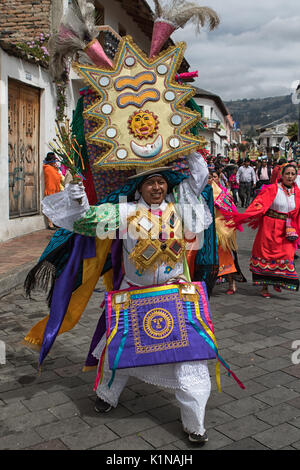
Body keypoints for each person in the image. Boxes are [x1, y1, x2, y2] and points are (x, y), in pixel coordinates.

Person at [37, 152, 223, 445]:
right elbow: (88, 220)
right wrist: (77, 198)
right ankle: (107, 395)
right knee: (117, 350)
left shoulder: (181, 207)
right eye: (151, 183)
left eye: (161, 182)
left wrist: (188, 148)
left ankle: (195, 423)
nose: (157, 188)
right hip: (134, 293)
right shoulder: (125, 213)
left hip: (175, 294)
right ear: (140, 188)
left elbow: (198, 180)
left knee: (192, 360)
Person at [228, 164, 300, 298]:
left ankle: (278, 280)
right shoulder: (272, 189)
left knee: (286, 255)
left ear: (296, 176)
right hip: (270, 227)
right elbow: (260, 202)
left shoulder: (298, 193)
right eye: (287, 174)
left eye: (292, 174)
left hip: (287, 229)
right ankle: (265, 286)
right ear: (282, 175)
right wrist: (253, 211)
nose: (290, 176)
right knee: (266, 255)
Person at [207, 170, 244, 295]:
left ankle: (231, 282)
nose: (211, 179)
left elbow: (231, 213)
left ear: (219, 178)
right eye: (208, 177)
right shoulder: (201, 192)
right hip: (207, 230)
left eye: (213, 177)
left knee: (226, 257)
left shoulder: (224, 193)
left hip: (221, 230)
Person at [43, 152, 63, 230]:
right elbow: (56, 177)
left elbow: (58, 177)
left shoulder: (53, 169)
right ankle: (50, 224)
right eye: (54, 160)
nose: (55, 162)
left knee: (54, 208)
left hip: (55, 190)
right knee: (49, 208)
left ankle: (53, 223)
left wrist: (56, 169)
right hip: (50, 190)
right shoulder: (47, 168)